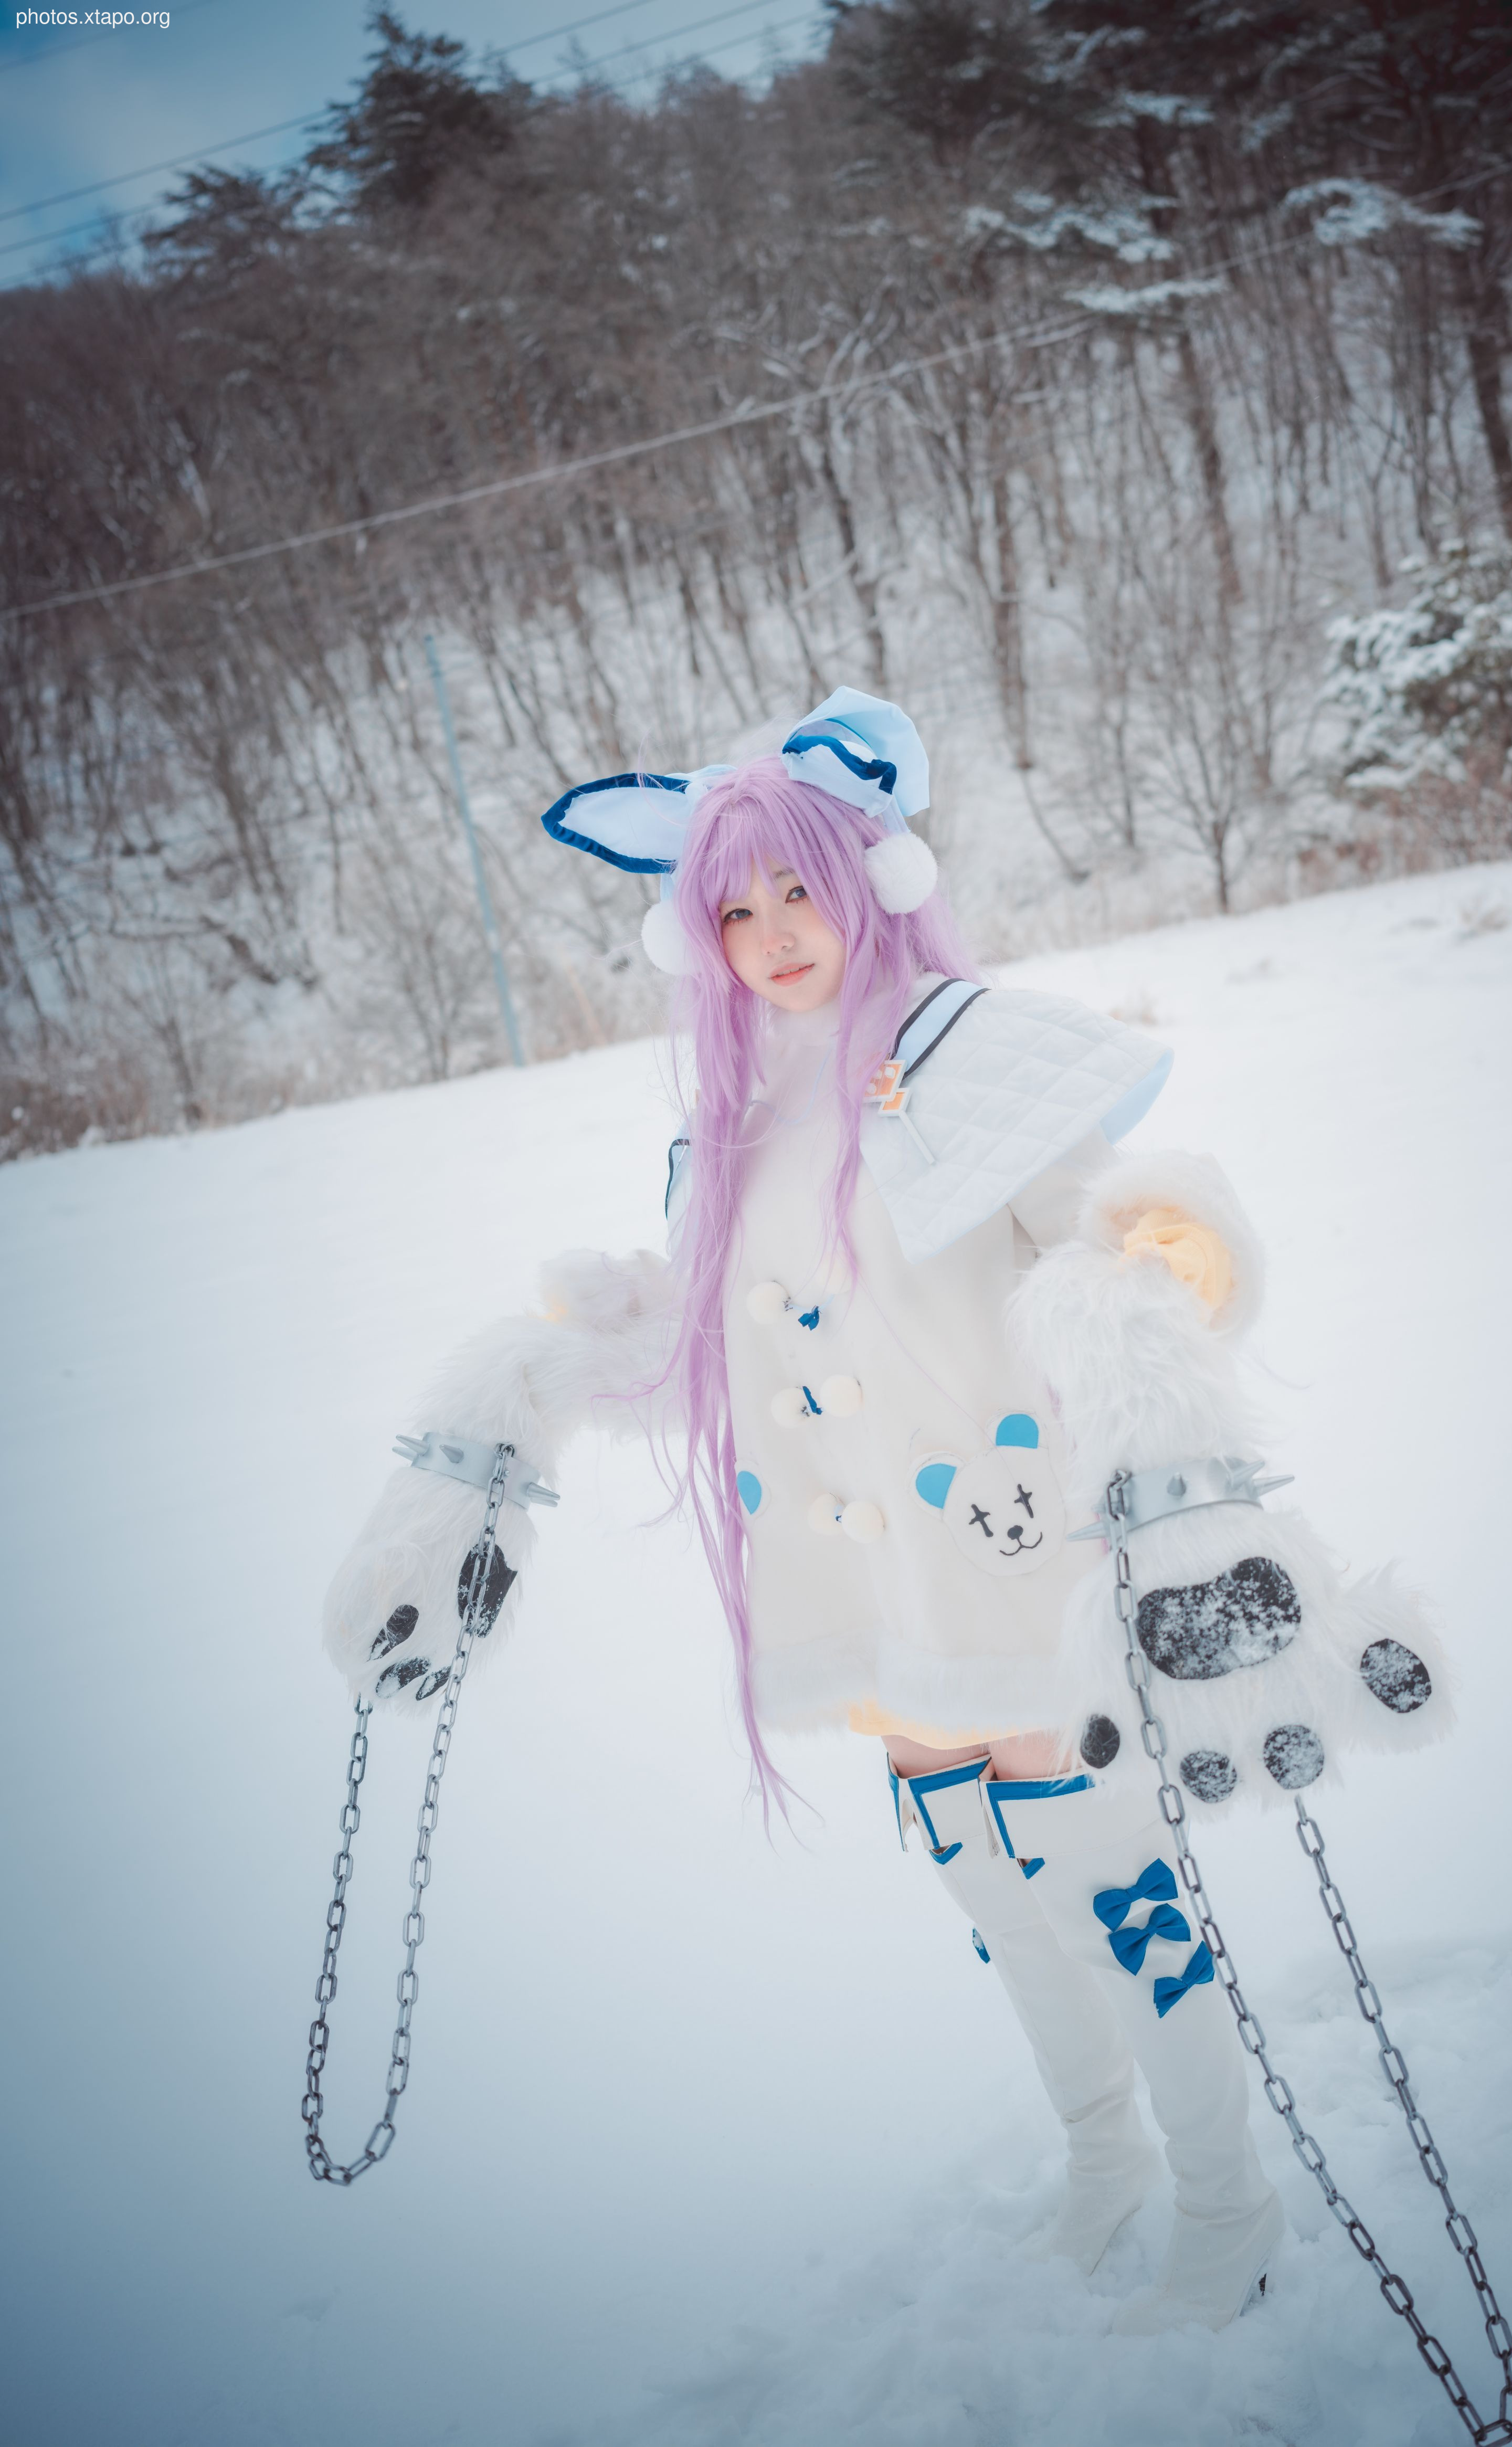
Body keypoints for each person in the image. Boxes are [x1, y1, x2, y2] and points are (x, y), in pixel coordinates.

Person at [323, 689, 1284, 2333]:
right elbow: (710, 1355)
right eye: (735, 908)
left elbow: (1111, 1231)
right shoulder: (734, 1125)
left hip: (1012, 1562)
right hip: (867, 1587)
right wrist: (568, 1356)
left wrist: (1167, 1264)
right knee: (994, 1896)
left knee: (1110, 1896)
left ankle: (1229, 2199)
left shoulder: (967, 1056)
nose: (773, 935)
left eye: (797, 894)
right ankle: (1105, 2156)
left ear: (870, 882)